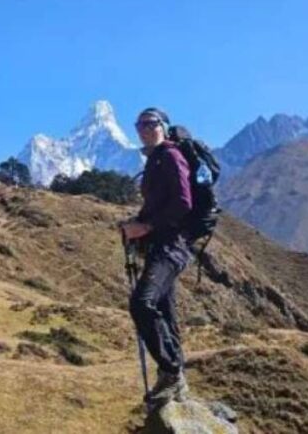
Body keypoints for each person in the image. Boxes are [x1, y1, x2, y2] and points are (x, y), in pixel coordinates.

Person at [120, 107, 193, 407]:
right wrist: (135, 224)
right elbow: (158, 205)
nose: (144, 129)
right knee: (165, 313)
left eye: (151, 123)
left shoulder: (171, 157)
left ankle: (172, 371)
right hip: (158, 245)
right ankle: (175, 379)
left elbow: (183, 203)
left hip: (170, 246)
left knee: (142, 303)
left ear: (163, 126)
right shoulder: (155, 161)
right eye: (140, 125)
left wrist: (146, 226)